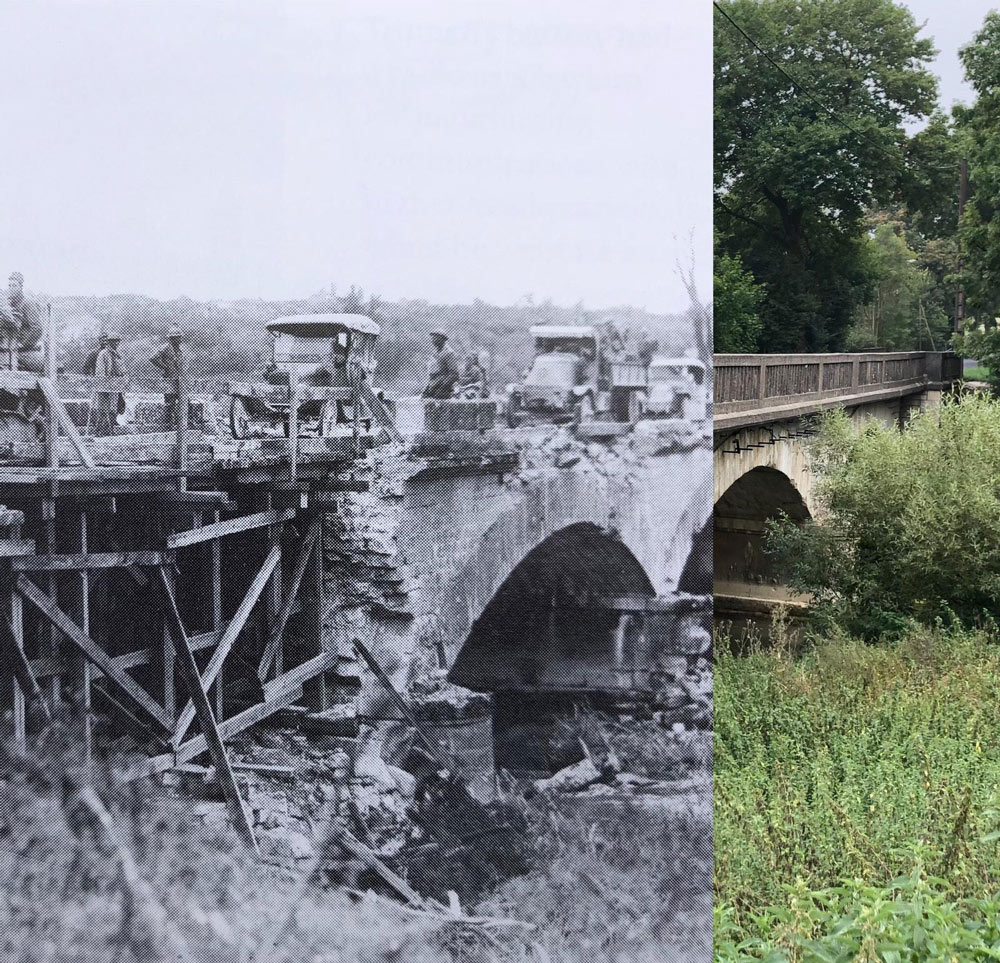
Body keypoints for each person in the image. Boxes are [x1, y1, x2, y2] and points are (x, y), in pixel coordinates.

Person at [150, 324, 186, 427]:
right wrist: (164, 367)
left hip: (178, 380)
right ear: (172, 339)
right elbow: (153, 358)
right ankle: (169, 425)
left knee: (183, 402)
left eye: (180, 337)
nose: (180, 340)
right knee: (169, 404)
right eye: (178, 338)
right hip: (168, 379)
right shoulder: (165, 348)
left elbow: (179, 366)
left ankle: (179, 425)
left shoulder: (179, 350)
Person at [92, 331, 124, 436]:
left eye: (117, 341)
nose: (115, 344)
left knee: (113, 409)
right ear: (109, 342)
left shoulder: (117, 355)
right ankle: (99, 431)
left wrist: (123, 378)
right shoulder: (103, 354)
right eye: (113, 341)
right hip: (105, 386)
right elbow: (100, 371)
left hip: (115, 386)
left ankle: (109, 430)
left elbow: (122, 370)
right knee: (102, 409)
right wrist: (103, 385)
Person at [423, 328, 460, 399]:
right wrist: (427, 389)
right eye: (432, 338)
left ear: (442, 339)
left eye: (435, 337)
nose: (433, 340)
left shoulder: (449, 353)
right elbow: (433, 375)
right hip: (434, 387)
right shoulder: (435, 353)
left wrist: (441, 388)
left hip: (444, 391)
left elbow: (454, 375)